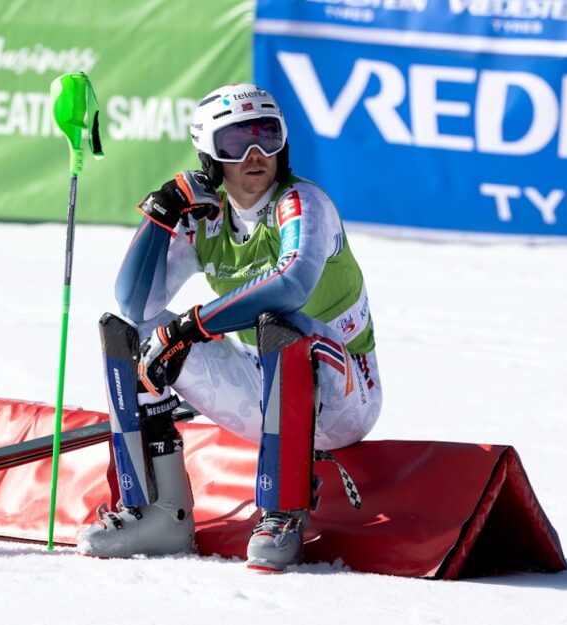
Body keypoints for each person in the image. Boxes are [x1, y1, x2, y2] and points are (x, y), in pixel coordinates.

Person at [77, 83, 383, 571]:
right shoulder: (208, 215)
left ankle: (283, 513)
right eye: (236, 141)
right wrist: (161, 216)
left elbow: (291, 284)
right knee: (134, 334)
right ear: (209, 154)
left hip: (344, 397)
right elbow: (135, 302)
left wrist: (194, 325)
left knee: (282, 321)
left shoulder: (303, 202)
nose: (255, 154)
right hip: (262, 387)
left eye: (267, 136)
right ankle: (160, 513)